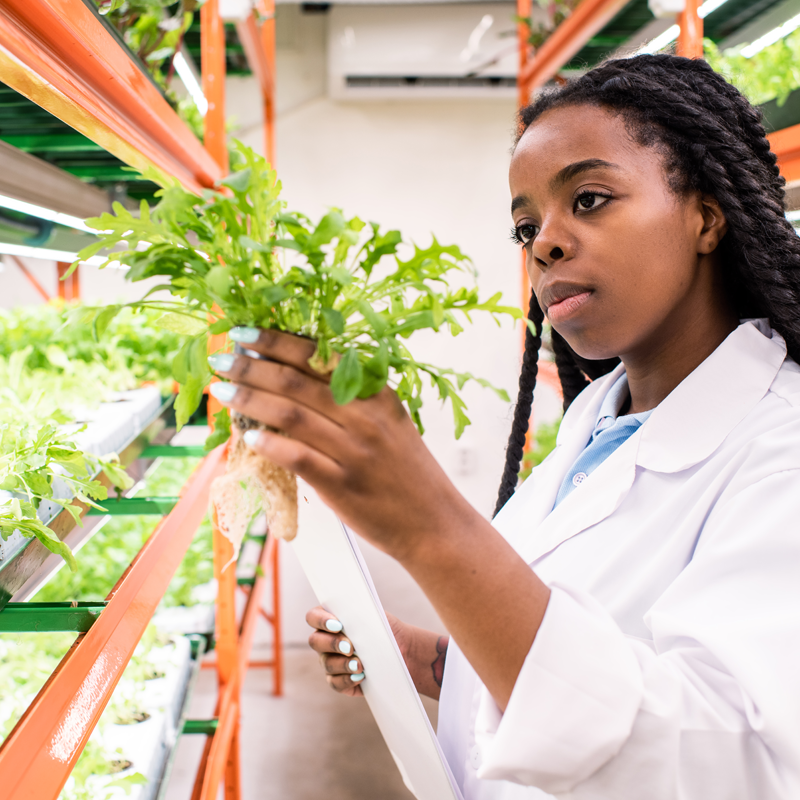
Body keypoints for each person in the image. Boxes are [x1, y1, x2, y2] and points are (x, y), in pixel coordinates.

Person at [207, 54, 800, 799]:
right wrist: (424, 660)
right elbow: (579, 658)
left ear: (707, 215)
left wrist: (435, 530)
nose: (544, 243)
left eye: (588, 199)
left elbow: (737, 770)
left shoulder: (782, 453)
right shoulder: (603, 414)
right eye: (527, 227)